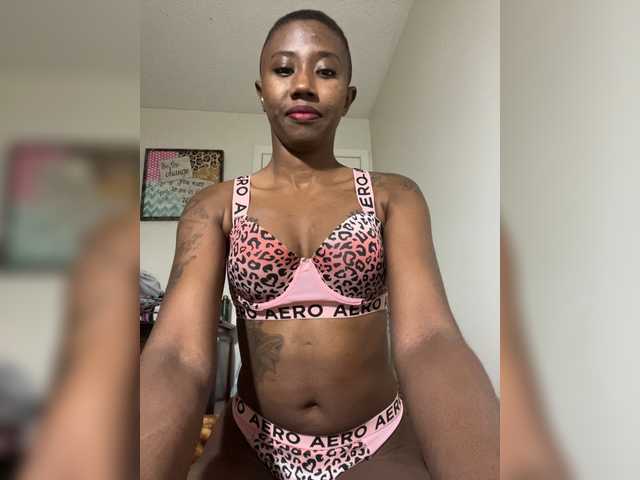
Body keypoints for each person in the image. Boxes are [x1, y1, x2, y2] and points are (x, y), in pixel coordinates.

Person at [140, 9, 499, 480]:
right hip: (251, 441)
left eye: (326, 71)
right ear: (261, 91)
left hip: (377, 441)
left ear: (348, 98)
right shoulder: (214, 205)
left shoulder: (393, 196)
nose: (303, 84)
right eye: (283, 68)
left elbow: (429, 340)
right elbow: (177, 353)